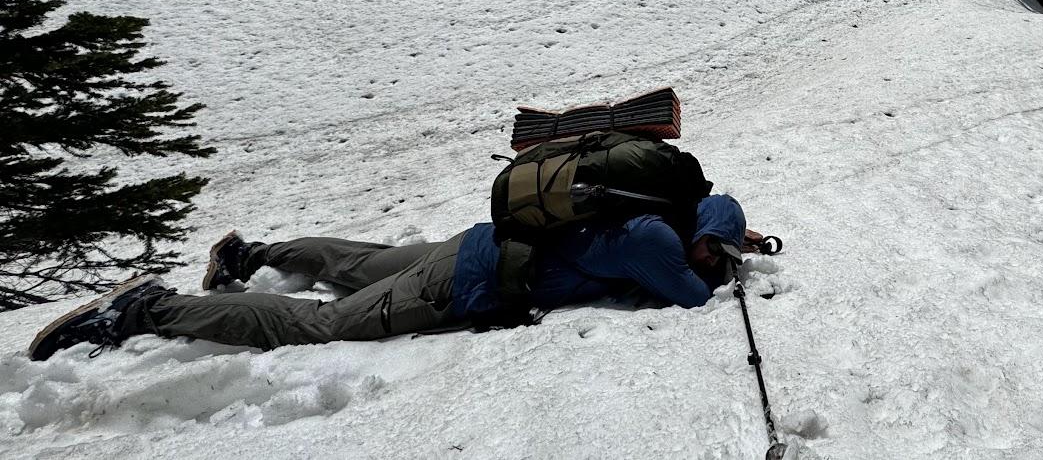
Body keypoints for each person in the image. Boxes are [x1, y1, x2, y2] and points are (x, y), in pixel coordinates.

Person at [28, 194, 750, 361]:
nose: (708, 259)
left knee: (359, 264)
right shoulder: (661, 241)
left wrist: (726, 229)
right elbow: (692, 296)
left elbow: (698, 232)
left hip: (479, 242)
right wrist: (719, 266)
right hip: (463, 287)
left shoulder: (649, 209)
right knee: (322, 324)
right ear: (703, 236)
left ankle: (249, 255)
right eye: (714, 247)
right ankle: (143, 309)